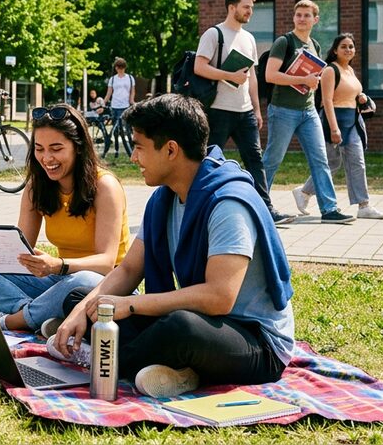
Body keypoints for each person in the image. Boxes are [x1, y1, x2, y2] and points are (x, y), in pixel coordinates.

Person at [49, 94, 295, 399]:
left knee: (179, 327)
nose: (133, 158)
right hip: (206, 324)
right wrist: (80, 313)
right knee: (86, 301)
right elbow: (128, 269)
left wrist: (131, 305)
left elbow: (219, 298)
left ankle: (98, 358)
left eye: (139, 147)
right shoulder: (164, 199)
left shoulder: (227, 203)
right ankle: (177, 372)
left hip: (255, 342)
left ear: (170, 150)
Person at [0, 104, 130, 333]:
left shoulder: (104, 186)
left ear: (77, 147)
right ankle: (35, 313)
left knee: (83, 281)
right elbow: (21, 253)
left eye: (56, 148)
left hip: (104, 285)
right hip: (58, 281)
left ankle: (12, 321)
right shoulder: (36, 187)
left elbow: (106, 262)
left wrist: (57, 265)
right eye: (39, 149)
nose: (47, 158)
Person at [193, 0, 292, 224]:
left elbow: (252, 77)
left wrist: (257, 109)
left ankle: (266, 210)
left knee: (255, 159)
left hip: (244, 110)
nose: (250, 11)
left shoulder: (248, 38)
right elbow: (199, 66)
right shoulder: (213, 34)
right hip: (218, 109)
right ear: (232, 7)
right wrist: (228, 74)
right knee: (210, 158)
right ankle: (199, 206)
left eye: (252, 8)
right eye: (246, 7)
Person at [262, 0, 354, 223]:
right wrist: (303, 79)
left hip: (308, 111)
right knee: (273, 160)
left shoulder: (315, 45)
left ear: (315, 20)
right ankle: (260, 206)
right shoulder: (284, 42)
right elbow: (270, 75)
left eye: (306, 15)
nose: (302, 19)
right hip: (283, 110)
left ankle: (329, 210)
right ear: (294, 18)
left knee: (320, 160)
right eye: (298, 15)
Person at [294, 34, 383, 220]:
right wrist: (334, 129)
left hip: (352, 122)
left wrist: (362, 98)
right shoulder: (330, 70)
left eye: (351, 46)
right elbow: (326, 101)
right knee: (330, 163)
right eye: (344, 46)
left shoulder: (350, 70)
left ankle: (363, 205)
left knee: (357, 162)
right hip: (332, 120)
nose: (348, 50)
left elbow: (353, 94)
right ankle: (304, 192)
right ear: (335, 50)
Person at [102, 57, 136, 156]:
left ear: (124, 67)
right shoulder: (113, 79)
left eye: (122, 67)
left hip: (126, 106)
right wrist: (103, 103)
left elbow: (132, 91)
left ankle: (132, 150)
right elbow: (109, 93)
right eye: (119, 67)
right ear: (116, 68)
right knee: (116, 129)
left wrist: (132, 100)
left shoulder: (130, 78)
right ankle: (116, 150)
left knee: (128, 128)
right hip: (115, 106)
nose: (120, 69)